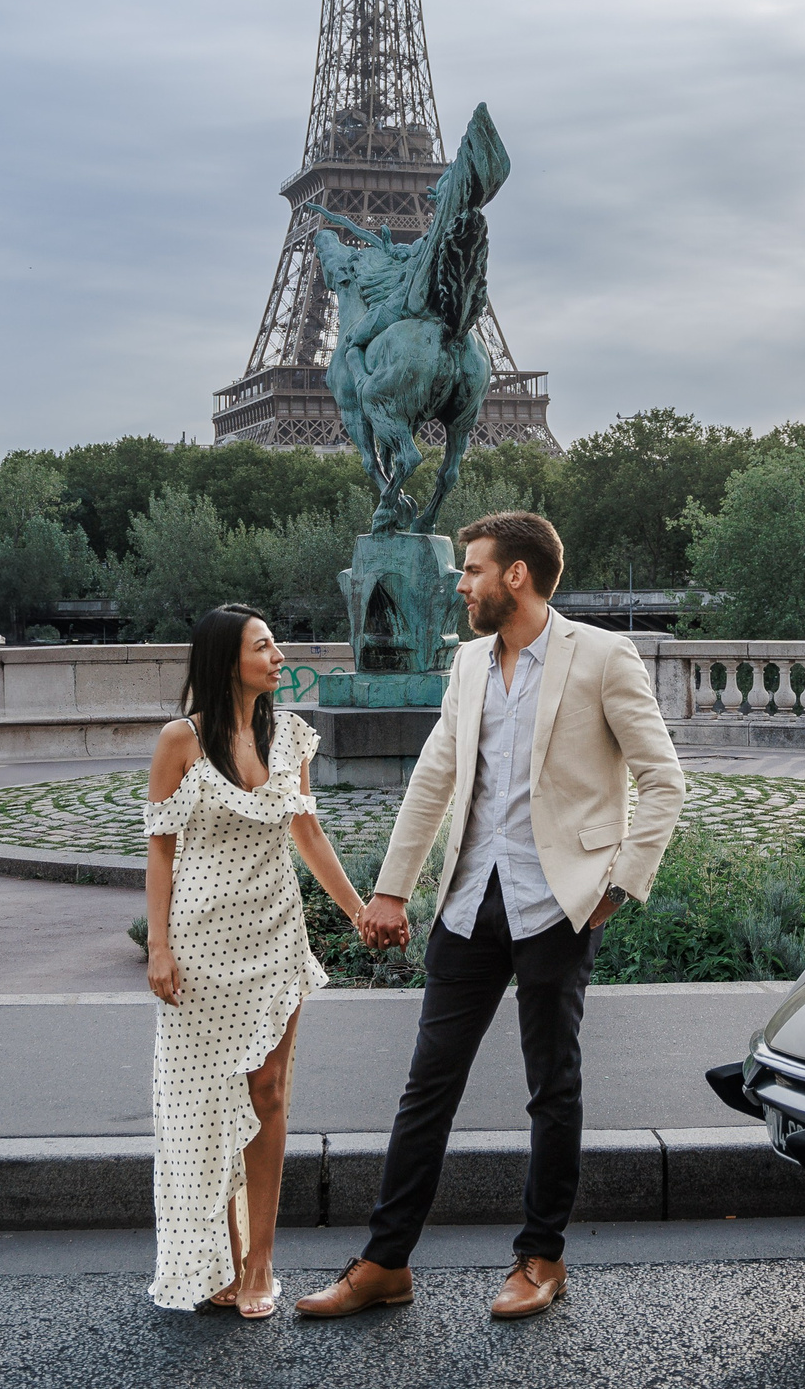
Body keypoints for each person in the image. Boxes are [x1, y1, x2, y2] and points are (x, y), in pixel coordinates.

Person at [295, 512, 685, 1322]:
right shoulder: (469, 661)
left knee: (553, 1089)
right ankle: (384, 1262)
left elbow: (664, 780)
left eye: (472, 570)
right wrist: (393, 890)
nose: (460, 585)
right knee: (426, 1090)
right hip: (468, 906)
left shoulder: (603, 657)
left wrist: (616, 888)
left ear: (516, 575)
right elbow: (435, 778)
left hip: (559, 907)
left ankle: (541, 1258)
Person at [142, 604, 372, 1317]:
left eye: (275, 644)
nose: (278, 656)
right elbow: (159, 846)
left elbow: (308, 835)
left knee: (268, 1092)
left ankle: (260, 1261)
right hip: (202, 944)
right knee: (203, 1104)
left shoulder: (291, 735)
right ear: (226, 659)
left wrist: (360, 910)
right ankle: (212, 1253)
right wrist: (158, 944)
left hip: (274, 932)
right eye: (263, 646)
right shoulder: (180, 741)